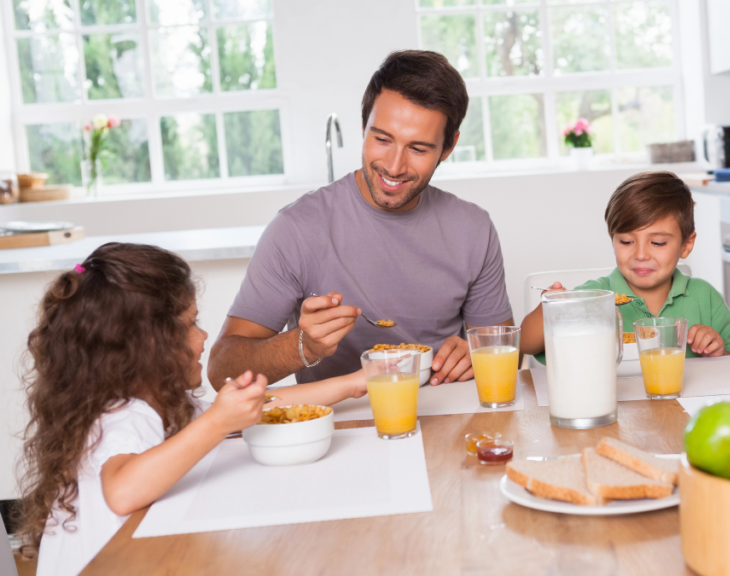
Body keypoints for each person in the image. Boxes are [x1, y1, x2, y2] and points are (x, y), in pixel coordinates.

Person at [16, 244, 368, 576]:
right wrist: (217, 422)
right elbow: (123, 492)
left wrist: (355, 382)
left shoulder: (166, 404)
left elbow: (260, 404)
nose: (203, 337)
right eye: (190, 325)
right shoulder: (121, 413)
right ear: (147, 346)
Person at [208, 50, 514, 391]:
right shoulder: (296, 229)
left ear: (448, 147)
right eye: (382, 139)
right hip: (342, 425)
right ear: (364, 125)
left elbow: (502, 348)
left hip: (447, 416)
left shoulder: (473, 229)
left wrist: (477, 352)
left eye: (418, 148)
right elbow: (222, 372)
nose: (394, 167)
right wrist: (303, 346)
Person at [520, 171, 730, 360]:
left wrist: (718, 353)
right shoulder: (593, 299)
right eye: (626, 241)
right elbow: (526, 344)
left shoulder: (705, 298)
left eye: (658, 242)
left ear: (686, 245)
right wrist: (549, 310)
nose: (640, 254)